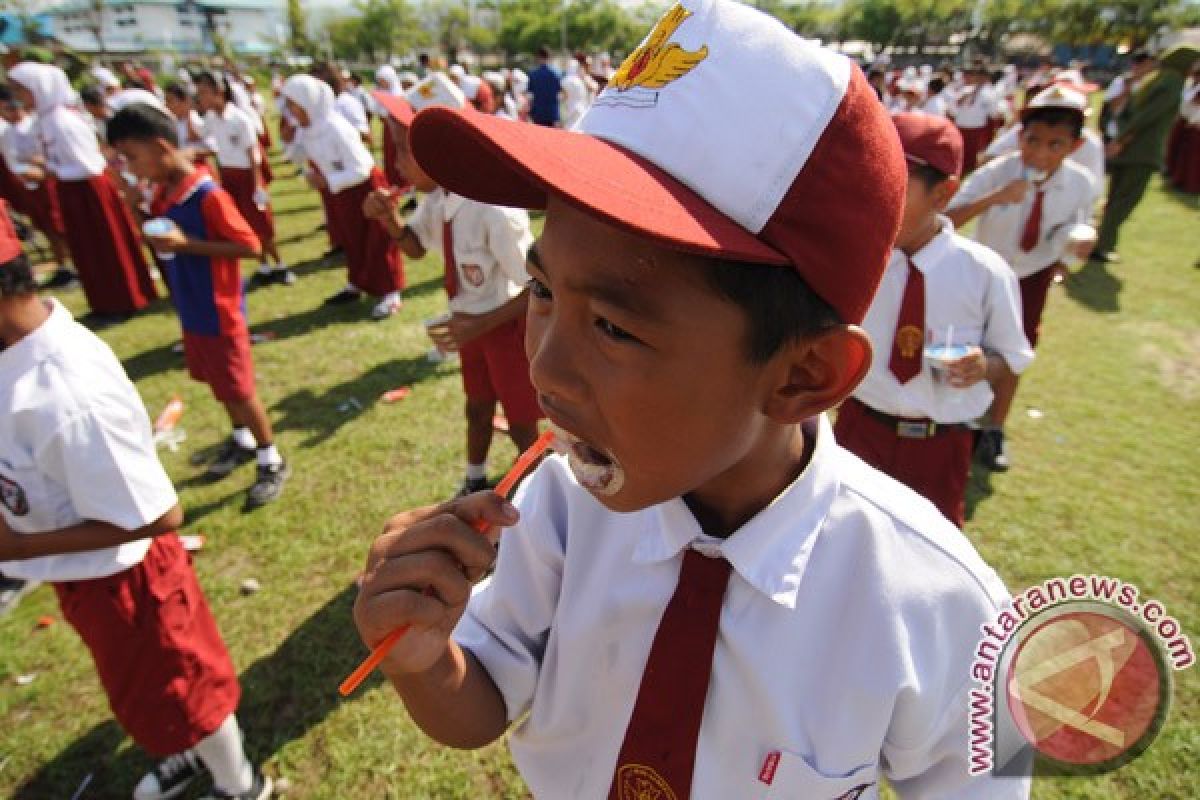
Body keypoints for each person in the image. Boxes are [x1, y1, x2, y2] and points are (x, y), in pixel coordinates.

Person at [352, 2, 1032, 797]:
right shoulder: (560, 510)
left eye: (612, 325)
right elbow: (486, 698)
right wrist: (425, 660)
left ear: (803, 376)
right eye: (541, 288)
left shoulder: (947, 606)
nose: (545, 371)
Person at [0, 199, 272, 800]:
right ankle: (190, 753)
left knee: (185, 685)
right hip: (81, 567)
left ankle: (240, 783)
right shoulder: (18, 359)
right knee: (150, 689)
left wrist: (20, 544)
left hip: (127, 578)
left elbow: (157, 515)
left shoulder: (65, 390)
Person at [835, 113, 1033, 527]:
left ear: (943, 195)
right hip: (859, 430)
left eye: (895, 189)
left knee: (929, 556)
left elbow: (1010, 356)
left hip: (940, 444)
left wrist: (984, 365)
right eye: (870, 182)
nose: (876, 200)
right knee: (842, 538)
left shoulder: (983, 273)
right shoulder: (856, 261)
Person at [107, 103, 291, 507]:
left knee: (240, 389)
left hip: (219, 308)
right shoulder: (163, 190)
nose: (133, 168)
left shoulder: (206, 194)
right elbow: (154, 235)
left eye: (134, 158)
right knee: (218, 382)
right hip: (192, 306)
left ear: (159, 147)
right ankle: (242, 439)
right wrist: (129, 201)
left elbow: (250, 245)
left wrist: (187, 245)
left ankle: (270, 456)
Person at [368, 75, 541, 496]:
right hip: (472, 330)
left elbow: (540, 287)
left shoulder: (494, 210)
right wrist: (387, 221)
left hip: (506, 332)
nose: (399, 165)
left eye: (407, 151)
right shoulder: (440, 199)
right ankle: (475, 479)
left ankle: (540, 498)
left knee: (521, 425)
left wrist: (477, 327)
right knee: (477, 407)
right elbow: (414, 248)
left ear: (446, 151)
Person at [948, 85, 1095, 471]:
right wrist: (992, 198)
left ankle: (994, 428)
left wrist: (1075, 248)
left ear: (1073, 147)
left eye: (1055, 145)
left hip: (1031, 277)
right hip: (984, 274)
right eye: (1033, 141)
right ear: (1019, 136)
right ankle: (959, 419)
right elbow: (947, 218)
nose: (1041, 154)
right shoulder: (997, 172)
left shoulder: (1080, 185)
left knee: (1014, 352)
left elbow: (1073, 230)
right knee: (967, 349)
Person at [8, 62, 157, 328]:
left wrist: (47, 172)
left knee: (104, 248)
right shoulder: (48, 120)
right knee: (87, 250)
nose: (19, 97)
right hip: (73, 191)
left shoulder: (63, 122)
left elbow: (87, 165)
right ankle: (104, 301)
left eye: (22, 89)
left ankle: (122, 299)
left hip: (87, 192)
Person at [281, 74, 404, 319]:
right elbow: (297, 156)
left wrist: (327, 180)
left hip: (364, 186)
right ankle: (357, 282)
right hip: (341, 191)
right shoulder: (307, 129)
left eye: (294, 104)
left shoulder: (337, 127)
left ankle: (391, 293)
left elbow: (360, 168)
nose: (290, 110)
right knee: (350, 238)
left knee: (377, 239)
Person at [1093, 46, 1197, 263]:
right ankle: (1102, 245)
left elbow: (1129, 111)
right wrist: (1122, 140)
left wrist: (1119, 138)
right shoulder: (1172, 84)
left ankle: (1101, 241)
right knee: (1125, 199)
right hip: (1141, 151)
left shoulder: (1156, 79)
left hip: (1131, 148)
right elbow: (1146, 117)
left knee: (1116, 198)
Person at [192, 71, 293, 287]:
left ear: (219, 92)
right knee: (243, 222)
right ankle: (263, 266)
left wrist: (257, 184)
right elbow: (203, 138)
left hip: (247, 175)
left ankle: (280, 265)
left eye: (204, 93)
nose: (200, 98)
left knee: (261, 222)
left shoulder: (240, 118)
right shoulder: (211, 118)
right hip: (228, 175)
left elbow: (253, 152)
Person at [981, 80, 1106, 210]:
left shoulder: (1090, 146)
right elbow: (990, 156)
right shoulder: (1026, 131)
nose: (1042, 153)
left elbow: (1092, 191)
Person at [0, 83, 73, 288]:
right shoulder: (8, 133)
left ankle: (71, 263)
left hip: (47, 180)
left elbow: (47, 153)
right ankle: (64, 265)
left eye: (14, 108)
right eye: (7, 109)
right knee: (47, 226)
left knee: (60, 224)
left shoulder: (35, 125)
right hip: (30, 182)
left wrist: (40, 164)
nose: (12, 113)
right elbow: (13, 161)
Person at [950, 59, 1004, 172]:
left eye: (982, 77)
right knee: (960, 149)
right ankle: (960, 167)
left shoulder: (990, 93)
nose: (979, 79)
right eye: (978, 76)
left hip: (976, 126)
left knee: (973, 152)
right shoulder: (966, 90)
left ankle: (969, 169)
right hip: (962, 124)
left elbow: (993, 112)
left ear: (987, 78)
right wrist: (961, 100)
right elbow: (954, 107)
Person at [1165, 61, 1200, 194]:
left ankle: (1190, 184)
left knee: (1192, 157)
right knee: (1180, 151)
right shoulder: (1190, 87)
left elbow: (1195, 104)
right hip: (1184, 121)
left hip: (1194, 123)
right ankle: (1176, 177)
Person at [526, 46, 562, 127]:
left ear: (539, 57)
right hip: (552, 113)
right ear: (549, 57)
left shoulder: (533, 74)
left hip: (537, 113)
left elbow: (529, 95)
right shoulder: (556, 74)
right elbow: (560, 92)